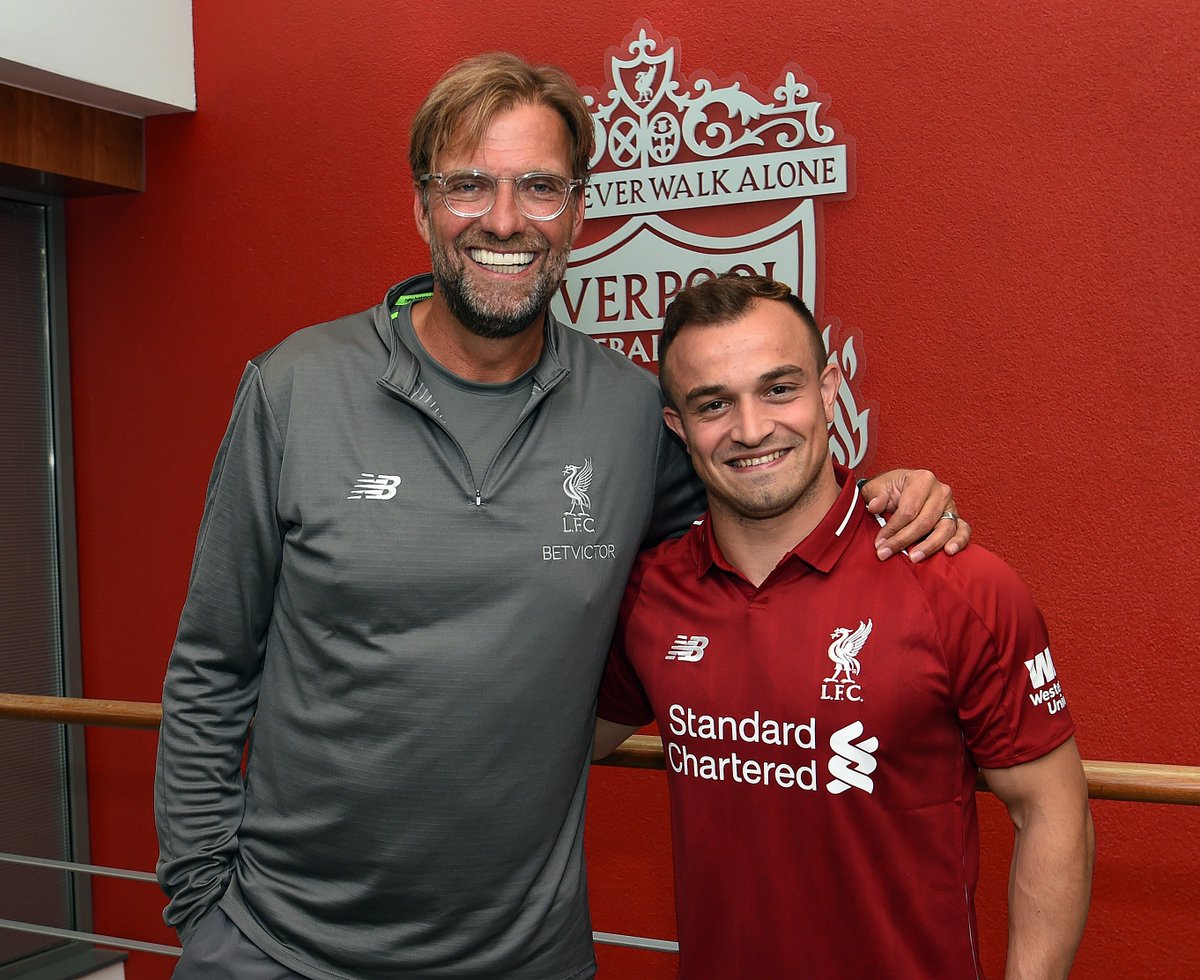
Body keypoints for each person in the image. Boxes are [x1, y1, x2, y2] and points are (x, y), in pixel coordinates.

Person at [154, 54, 969, 980]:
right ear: (422, 207)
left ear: (578, 212)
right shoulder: (295, 389)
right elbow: (213, 661)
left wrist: (883, 496)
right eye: (469, 185)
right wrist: (202, 905)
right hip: (276, 949)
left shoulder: (630, 413)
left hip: (526, 956)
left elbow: (760, 503)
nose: (504, 221)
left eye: (539, 187)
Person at [594, 272, 1094, 979]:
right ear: (678, 427)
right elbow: (557, 746)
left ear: (829, 391)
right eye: (714, 404)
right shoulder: (653, 592)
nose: (751, 429)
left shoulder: (956, 585)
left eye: (779, 389)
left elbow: (1053, 812)